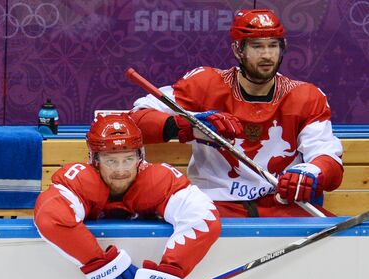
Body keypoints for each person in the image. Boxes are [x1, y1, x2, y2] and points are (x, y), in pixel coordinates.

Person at [130, 9, 344, 217]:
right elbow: (135, 121)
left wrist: (313, 172)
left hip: (280, 204)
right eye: (257, 46)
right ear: (237, 50)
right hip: (216, 204)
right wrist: (187, 126)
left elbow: (328, 160)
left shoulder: (305, 96)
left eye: (273, 45)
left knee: (342, 243)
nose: (267, 54)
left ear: (284, 47)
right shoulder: (204, 84)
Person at [34, 113, 221, 279]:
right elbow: (49, 216)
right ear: (94, 159)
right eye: (111, 161)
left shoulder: (157, 179)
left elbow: (205, 217)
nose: (121, 170)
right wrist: (101, 268)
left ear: (140, 156)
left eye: (128, 159)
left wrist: (168, 274)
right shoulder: (80, 180)